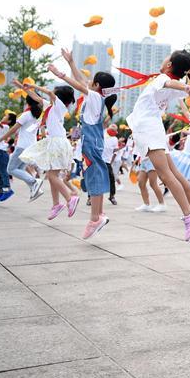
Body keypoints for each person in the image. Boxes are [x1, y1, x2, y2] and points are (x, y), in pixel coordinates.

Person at [123, 50, 190, 240]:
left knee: (167, 175)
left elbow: (172, 83)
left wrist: (188, 87)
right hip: (155, 129)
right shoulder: (175, 82)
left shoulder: (163, 78)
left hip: (149, 128)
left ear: (169, 64)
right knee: (175, 174)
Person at [48, 51, 116, 238]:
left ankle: (95, 218)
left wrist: (60, 75)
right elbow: (81, 81)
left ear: (97, 85)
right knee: (98, 176)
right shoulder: (96, 97)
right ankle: (99, 213)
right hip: (94, 142)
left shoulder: (95, 97)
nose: (87, 84)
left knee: (94, 177)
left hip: (91, 144)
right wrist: (71, 63)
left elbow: (78, 83)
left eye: (91, 82)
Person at [20, 82, 79, 219]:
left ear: (59, 96)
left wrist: (34, 86)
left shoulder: (60, 107)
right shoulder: (50, 107)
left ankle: (70, 199)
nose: (52, 92)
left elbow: (49, 94)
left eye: (54, 91)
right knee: (52, 176)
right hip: (55, 142)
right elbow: (37, 99)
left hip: (57, 143)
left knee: (52, 176)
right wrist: (26, 89)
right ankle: (56, 204)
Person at [0, 88, 45, 200]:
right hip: (31, 146)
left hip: (22, 146)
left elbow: (13, 130)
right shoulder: (38, 115)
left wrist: (1, 138)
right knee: (20, 169)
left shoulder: (26, 114)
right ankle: (35, 188)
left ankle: (34, 182)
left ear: (27, 102)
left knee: (10, 169)